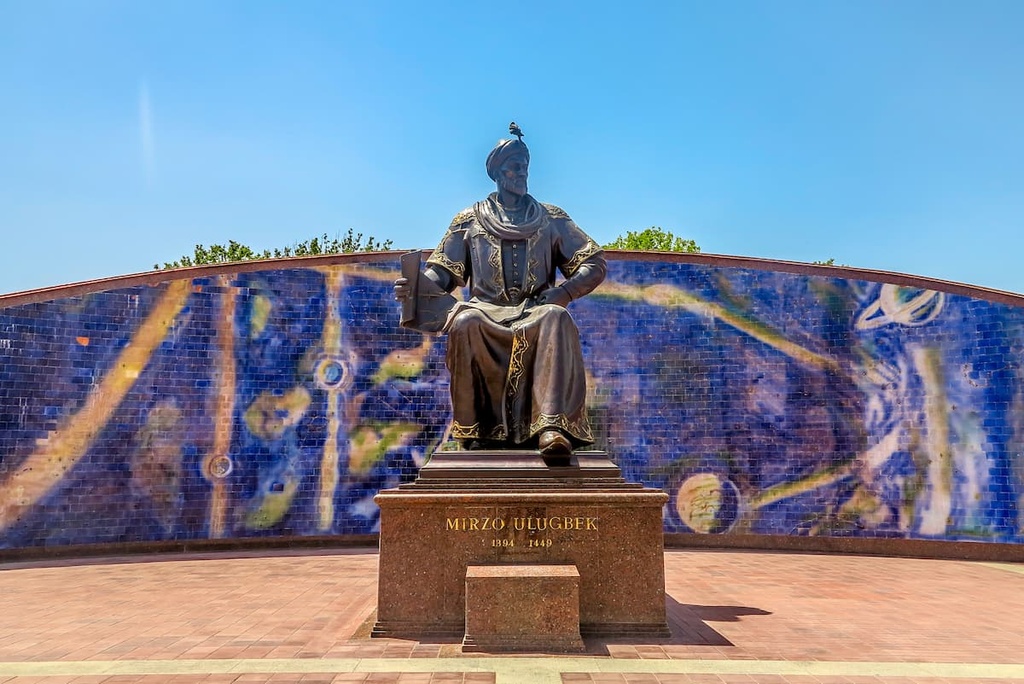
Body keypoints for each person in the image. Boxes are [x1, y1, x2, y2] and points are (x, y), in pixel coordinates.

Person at [395, 127, 606, 455]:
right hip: (484, 312)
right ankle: (478, 432)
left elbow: (593, 263)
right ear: (496, 172)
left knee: (555, 317)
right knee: (464, 322)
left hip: (535, 310)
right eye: (512, 165)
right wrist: (416, 288)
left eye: (524, 164)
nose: (520, 171)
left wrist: (564, 293)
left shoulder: (551, 218)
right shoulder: (469, 220)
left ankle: (552, 428)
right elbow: (442, 273)